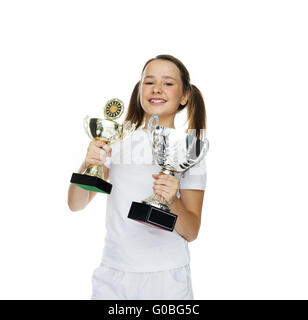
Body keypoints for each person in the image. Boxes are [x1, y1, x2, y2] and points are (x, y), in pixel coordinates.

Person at [67, 54, 207, 300]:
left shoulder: (191, 149)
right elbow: (75, 203)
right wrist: (88, 163)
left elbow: (191, 231)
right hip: (114, 273)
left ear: (185, 95)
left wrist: (172, 200)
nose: (157, 89)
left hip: (166, 278)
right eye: (149, 81)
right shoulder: (117, 141)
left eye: (168, 83)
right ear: (140, 88)